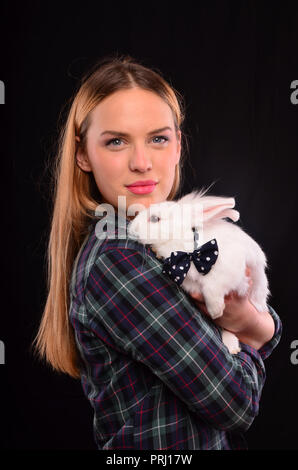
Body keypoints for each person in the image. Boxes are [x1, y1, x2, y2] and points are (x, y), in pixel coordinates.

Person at [34, 55, 282, 450]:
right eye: (116, 141)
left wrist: (255, 327)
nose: (142, 163)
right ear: (82, 154)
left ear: (179, 145)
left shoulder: (160, 237)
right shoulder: (117, 261)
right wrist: (259, 329)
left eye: (158, 138)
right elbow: (236, 403)